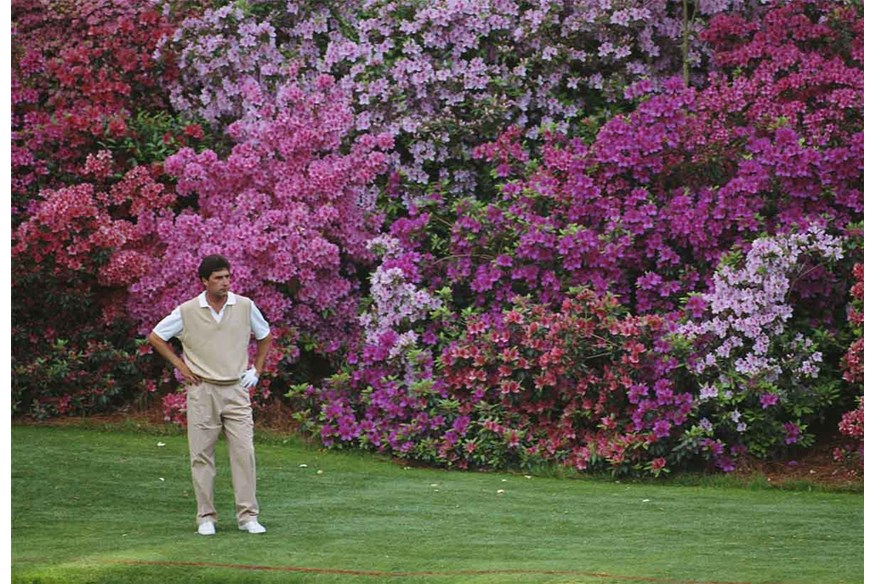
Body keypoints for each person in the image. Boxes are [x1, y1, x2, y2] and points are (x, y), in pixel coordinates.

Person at [148, 254, 272, 536]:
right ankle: (206, 517)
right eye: (218, 278)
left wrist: (257, 370)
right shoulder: (188, 311)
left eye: (227, 277)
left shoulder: (244, 306)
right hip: (202, 392)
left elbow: (265, 335)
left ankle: (248, 516)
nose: (225, 282)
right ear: (204, 281)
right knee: (201, 455)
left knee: (244, 452)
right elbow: (156, 336)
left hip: (237, 389)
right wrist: (181, 366)